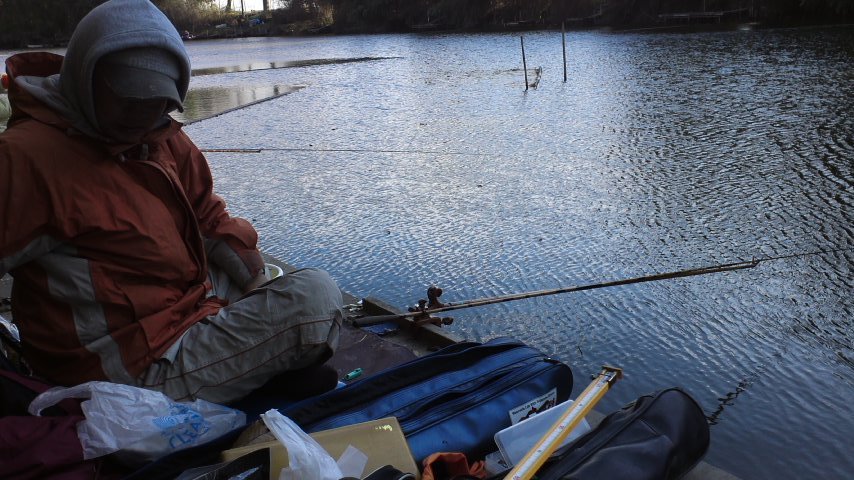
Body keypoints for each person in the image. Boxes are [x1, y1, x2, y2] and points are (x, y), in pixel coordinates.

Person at [0, 0, 342, 404]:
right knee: (316, 300)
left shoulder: (158, 134)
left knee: (261, 274)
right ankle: (248, 379)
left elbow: (207, 216)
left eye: (160, 101)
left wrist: (255, 279)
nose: (144, 116)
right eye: (130, 99)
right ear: (85, 76)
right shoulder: (24, 159)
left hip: (181, 309)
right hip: (121, 366)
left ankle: (245, 373)